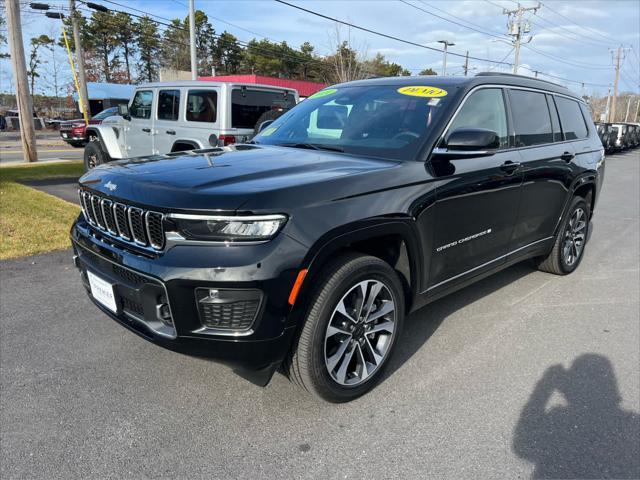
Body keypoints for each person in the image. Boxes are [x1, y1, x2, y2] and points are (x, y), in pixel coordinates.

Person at [513, 354, 639, 479]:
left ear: (572, 387)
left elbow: (523, 444)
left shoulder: (559, 422)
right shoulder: (632, 425)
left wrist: (544, 388)